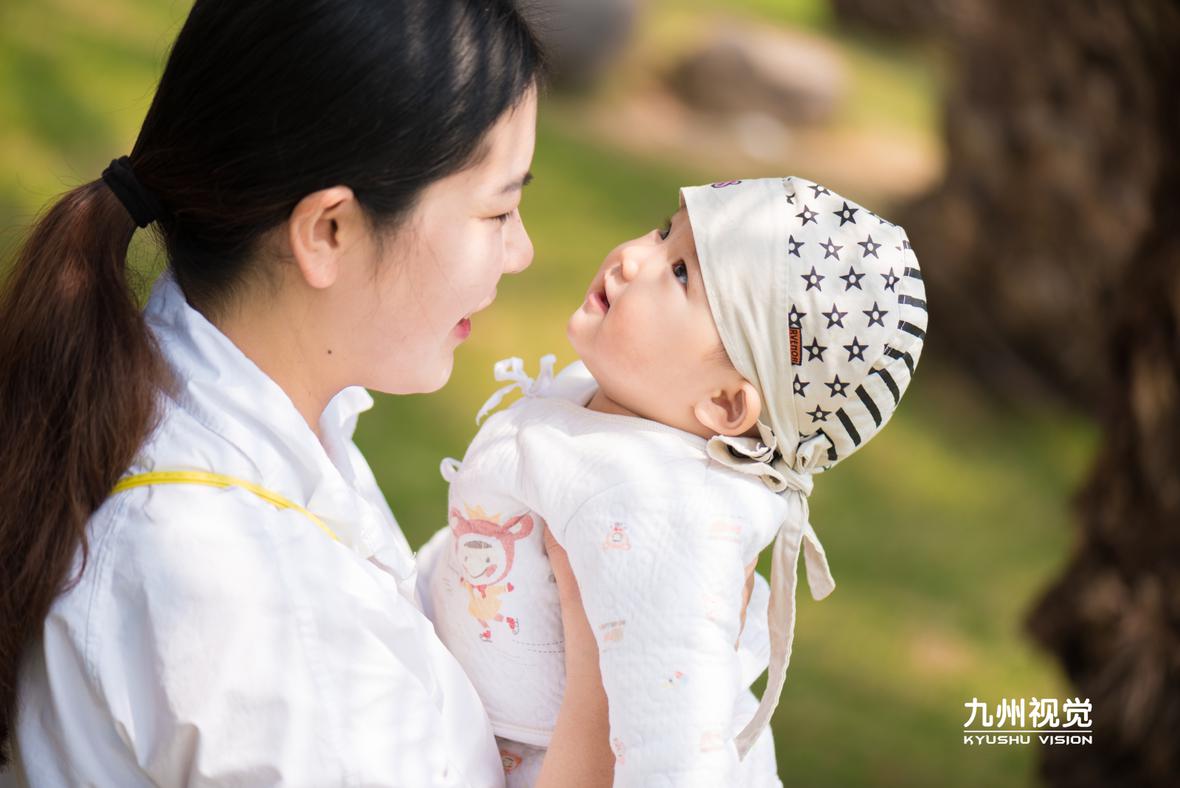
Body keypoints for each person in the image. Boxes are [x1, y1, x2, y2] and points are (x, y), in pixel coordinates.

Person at [0, 1, 620, 785]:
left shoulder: (227, 417)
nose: (522, 250)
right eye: (497, 209)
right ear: (329, 231)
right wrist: (607, 660)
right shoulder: (246, 596)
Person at [418, 176, 929, 786]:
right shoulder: (615, 408)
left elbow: (677, 752)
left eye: (681, 273)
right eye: (664, 233)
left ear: (725, 404)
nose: (633, 258)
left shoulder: (663, 510)